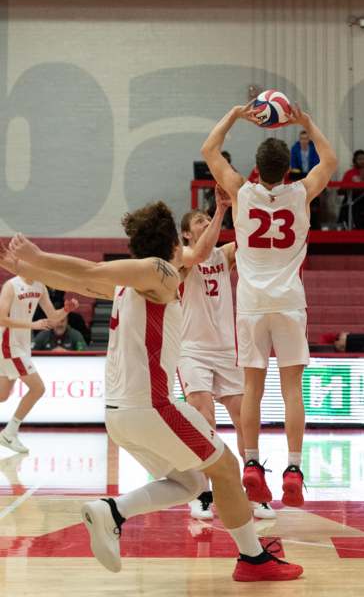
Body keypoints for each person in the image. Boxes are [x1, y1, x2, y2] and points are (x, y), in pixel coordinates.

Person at [1, 213, 302, 582]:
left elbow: (80, 279)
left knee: (192, 483)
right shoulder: (161, 272)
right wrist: (37, 256)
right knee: (225, 469)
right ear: (174, 245)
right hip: (150, 407)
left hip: (119, 415)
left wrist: (31, 265)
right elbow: (90, 272)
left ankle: (112, 511)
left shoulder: (129, 285)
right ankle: (252, 559)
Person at [201, 103, 337, 508]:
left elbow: (210, 149)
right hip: (289, 301)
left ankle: (253, 463)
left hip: (252, 303)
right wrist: (306, 123)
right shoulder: (301, 192)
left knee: (252, 389)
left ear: (257, 169)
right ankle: (293, 468)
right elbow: (330, 159)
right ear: (289, 168)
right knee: (292, 388)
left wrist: (233, 115)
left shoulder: (241, 192)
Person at [179, 192, 275, 521]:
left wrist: (251, 198)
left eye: (208, 219)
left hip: (227, 350)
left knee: (244, 418)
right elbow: (203, 249)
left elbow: (251, 237)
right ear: (187, 234)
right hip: (192, 350)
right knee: (202, 417)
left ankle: (256, 488)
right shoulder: (183, 257)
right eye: (199, 221)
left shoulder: (224, 254)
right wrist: (220, 209)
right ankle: (202, 492)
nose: (206, 223)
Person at [0, 275, 78, 454]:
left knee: (2, 395)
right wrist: (32, 325)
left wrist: (66, 310)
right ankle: (9, 433)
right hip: (8, 345)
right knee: (38, 389)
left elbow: (52, 317)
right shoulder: (11, 286)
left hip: (21, 345)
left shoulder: (40, 286)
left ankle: (9, 434)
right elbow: (1, 319)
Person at [290, 129, 322, 230]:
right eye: (302, 139)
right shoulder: (294, 149)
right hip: (299, 175)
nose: (304, 141)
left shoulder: (314, 149)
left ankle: (314, 224)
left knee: (313, 201)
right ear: (299, 140)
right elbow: (293, 163)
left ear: (309, 140)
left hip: (311, 175)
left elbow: (317, 163)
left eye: (306, 139)